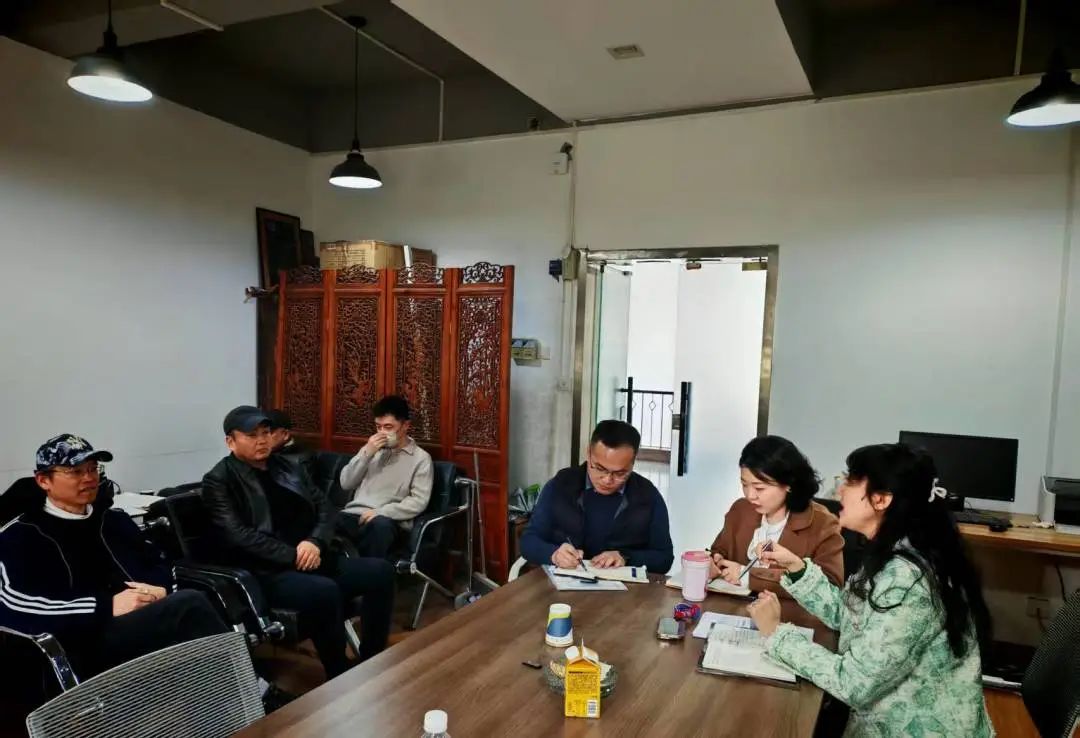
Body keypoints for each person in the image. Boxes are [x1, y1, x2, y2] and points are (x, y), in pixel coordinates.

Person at [747, 443, 994, 738]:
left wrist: (776, 634)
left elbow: (853, 684)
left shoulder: (907, 579)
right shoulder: (898, 551)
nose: (840, 490)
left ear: (881, 499)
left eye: (851, 481)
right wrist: (796, 568)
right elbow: (853, 617)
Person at [0, 435, 227, 678]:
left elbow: (161, 562)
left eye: (92, 469)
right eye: (75, 472)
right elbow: (14, 605)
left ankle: (224, 686)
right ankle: (240, 683)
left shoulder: (114, 520)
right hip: (81, 638)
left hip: (137, 621)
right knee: (189, 604)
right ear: (43, 480)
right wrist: (106, 607)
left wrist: (159, 590)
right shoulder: (20, 535)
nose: (89, 478)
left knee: (209, 597)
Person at [201, 406, 395, 679]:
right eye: (252, 435)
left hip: (312, 554)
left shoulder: (287, 466)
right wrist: (294, 555)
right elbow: (239, 535)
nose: (262, 440)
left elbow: (326, 508)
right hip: (268, 571)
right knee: (325, 591)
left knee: (381, 572)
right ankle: (339, 673)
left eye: (265, 433)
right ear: (230, 442)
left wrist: (315, 542)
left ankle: (372, 658)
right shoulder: (218, 481)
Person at [520, 420, 674, 573]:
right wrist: (554, 554)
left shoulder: (647, 495)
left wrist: (626, 557)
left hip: (623, 586)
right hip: (564, 581)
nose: (607, 480)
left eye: (620, 473)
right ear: (588, 453)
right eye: (600, 468)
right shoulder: (561, 485)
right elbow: (528, 541)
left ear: (633, 463)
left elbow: (665, 558)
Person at [709, 436, 844, 595]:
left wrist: (750, 577)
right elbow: (720, 550)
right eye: (744, 484)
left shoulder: (822, 524)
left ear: (788, 484)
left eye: (759, 488)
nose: (750, 495)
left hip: (785, 610)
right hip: (732, 607)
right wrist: (716, 561)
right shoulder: (741, 509)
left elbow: (831, 589)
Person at [338, 396, 434, 558]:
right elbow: (346, 483)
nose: (382, 433)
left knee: (380, 528)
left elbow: (418, 501)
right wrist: (367, 454)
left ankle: (368, 572)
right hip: (353, 515)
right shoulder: (371, 449)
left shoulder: (421, 458)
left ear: (405, 426)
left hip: (388, 520)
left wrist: (381, 512)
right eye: (378, 427)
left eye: (388, 427)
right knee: (322, 523)